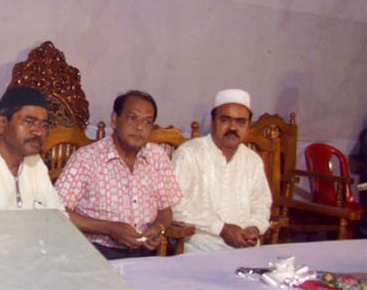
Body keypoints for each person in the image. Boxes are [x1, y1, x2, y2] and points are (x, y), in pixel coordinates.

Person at [55, 90, 182, 260]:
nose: (139, 127)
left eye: (147, 122)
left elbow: (165, 209)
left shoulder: (157, 156)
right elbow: (57, 211)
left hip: (146, 253)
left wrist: (159, 227)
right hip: (96, 253)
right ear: (115, 120)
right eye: (132, 118)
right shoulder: (87, 158)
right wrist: (108, 228)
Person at [171, 89, 272, 252]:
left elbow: (262, 203)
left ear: (248, 126)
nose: (233, 127)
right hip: (199, 246)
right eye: (225, 119)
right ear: (213, 122)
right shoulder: (189, 153)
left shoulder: (253, 160)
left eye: (241, 122)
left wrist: (254, 227)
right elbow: (174, 206)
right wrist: (221, 229)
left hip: (246, 247)